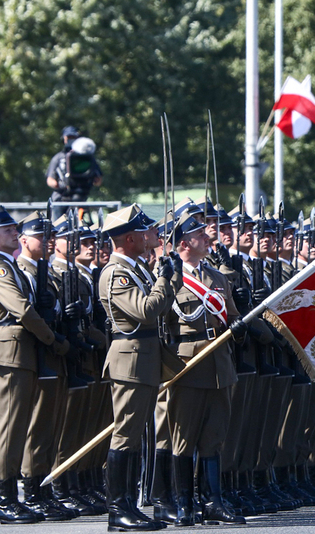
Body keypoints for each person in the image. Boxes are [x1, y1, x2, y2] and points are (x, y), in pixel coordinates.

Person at [0, 206, 71, 524]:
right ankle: (5, 500)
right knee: (11, 429)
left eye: (14, 229)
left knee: (23, 427)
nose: (13, 233)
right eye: (7, 230)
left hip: (24, 350)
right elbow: (22, 310)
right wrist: (51, 338)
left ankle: (18, 496)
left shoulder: (12, 267)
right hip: (12, 350)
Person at [98, 205, 183, 531]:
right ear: (130, 238)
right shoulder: (116, 272)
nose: (154, 235)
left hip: (145, 358)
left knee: (135, 438)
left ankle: (129, 506)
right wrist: (164, 278)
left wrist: (169, 276)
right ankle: (118, 509)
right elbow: (147, 310)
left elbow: (161, 305)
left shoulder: (135, 268)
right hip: (130, 361)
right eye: (147, 231)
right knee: (126, 436)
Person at [164, 212, 246, 526]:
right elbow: (163, 325)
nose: (208, 237)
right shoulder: (171, 278)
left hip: (219, 363)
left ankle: (213, 501)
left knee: (214, 436)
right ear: (184, 243)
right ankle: (184, 504)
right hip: (187, 364)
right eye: (200, 234)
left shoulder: (217, 277)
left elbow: (232, 315)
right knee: (184, 436)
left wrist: (237, 327)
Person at [46, 126, 103, 216]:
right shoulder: (58, 158)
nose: (71, 140)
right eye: (69, 137)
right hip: (61, 200)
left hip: (80, 198)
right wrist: (62, 185)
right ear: (64, 138)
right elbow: (50, 180)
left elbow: (98, 179)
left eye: (73, 137)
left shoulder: (87, 158)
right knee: (58, 227)